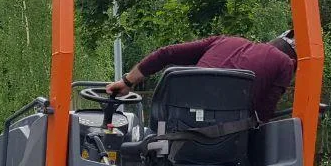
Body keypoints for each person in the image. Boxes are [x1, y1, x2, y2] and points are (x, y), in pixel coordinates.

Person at [106, 31, 297, 121]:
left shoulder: (225, 41)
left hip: (177, 123)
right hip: (229, 139)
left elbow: (166, 54)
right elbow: (263, 114)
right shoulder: (285, 63)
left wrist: (127, 81)